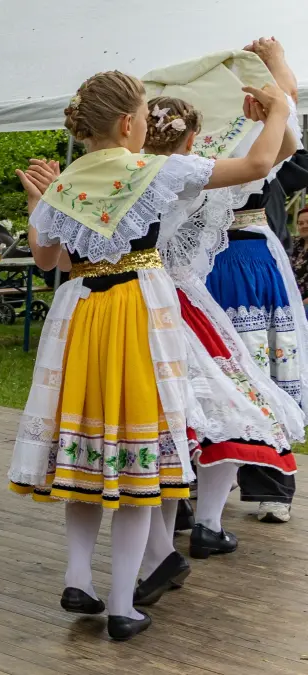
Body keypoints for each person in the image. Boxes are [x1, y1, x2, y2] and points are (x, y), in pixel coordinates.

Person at [9, 70, 288, 641]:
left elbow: (49, 261)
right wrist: (280, 107)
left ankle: (77, 575)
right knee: (138, 447)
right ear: (132, 123)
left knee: (86, 443)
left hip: (81, 314)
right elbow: (259, 167)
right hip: (138, 311)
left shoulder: (68, 182)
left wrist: (42, 197)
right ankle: (120, 605)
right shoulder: (156, 170)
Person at [137, 96, 299, 602]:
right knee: (230, 404)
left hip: (134, 298)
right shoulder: (190, 175)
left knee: (170, 413)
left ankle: (167, 535)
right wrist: (277, 104)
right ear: (191, 141)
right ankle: (201, 523)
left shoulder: (130, 170)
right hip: (180, 298)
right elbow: (270, 157)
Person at [202, 38, 307, 525]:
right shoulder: (249, 134)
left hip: (233, 259)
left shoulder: (205, 141)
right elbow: (285, 122)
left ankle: (214, 492)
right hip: (236, 260)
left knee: (234, 365)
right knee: (243, 366)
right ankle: (246, 486)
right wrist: (277, 66)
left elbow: (284, 125)